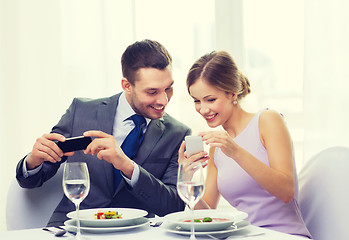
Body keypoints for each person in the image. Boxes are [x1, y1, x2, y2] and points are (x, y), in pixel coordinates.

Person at [16, 39, 191, 227]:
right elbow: (31, 180)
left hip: (135, 233)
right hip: (73, 230)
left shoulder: (178, 134)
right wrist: (33, 161)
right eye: (152, 91)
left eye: (169, 88)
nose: (163, 100)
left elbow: (174, 207)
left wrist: (127, 166)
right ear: (127, 85)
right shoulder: (81, 112)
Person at [179, 51, 312, 238]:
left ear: (232, 93)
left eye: (210, 99)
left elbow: (286, 191)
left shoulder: (267, 120)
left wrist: (235, 151)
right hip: (245, 235)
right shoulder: (217, 146)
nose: (203, 109)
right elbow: (206, 215)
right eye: (196, 101)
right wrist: (185, 177)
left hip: (284, 234)